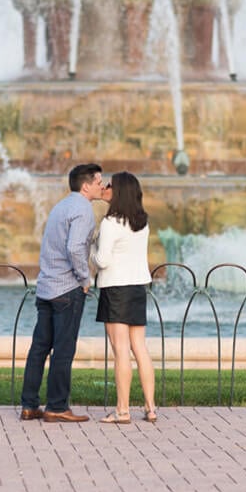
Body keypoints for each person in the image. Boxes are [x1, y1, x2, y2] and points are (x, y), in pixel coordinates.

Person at [20, 163, 106, 422]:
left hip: (46, 287)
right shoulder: (84, 210)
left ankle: (29, 405)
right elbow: (75, 248)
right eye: (99, 181)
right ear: (86, 185)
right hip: (67, 289)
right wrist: (84, 278)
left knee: (39, 348)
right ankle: (57, 407)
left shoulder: (60, 207)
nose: (102, 185)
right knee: (64, 349)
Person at [92, 171, 157, 424]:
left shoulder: (110, 223)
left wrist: (91, 249)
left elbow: (103, 261)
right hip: (138, 287)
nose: (105, 188)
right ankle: (151, 408)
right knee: (140, 348)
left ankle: (122, 410)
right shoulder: (141, 222)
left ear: (118, 192)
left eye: (109, 185)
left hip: (116, 289)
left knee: (120, 351)